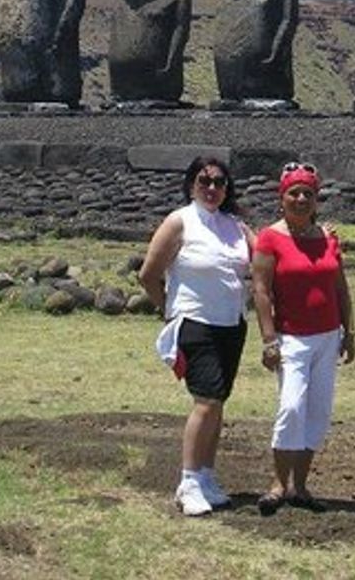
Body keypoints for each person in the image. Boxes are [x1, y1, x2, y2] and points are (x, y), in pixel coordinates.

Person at [138, 156, 253, 516]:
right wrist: (170, 311)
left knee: (217, 401)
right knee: (205, 401)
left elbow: (269, 250)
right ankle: (188, 480)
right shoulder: (179, 222)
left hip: (231, 324)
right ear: (191, 184)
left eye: (220, 182)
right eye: (204, 181)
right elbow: (148, 274)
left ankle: (206, 475)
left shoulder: (235, 226)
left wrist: (315, 233)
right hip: (195, 322)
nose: (212, 188)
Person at [251, 162, 355, 514]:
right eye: (294, 193)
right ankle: (279, 482)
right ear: (282, 198)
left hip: (328, 336)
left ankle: (301, 485)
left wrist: (349, 332)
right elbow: (262, 291)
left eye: (307, 194)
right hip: (292, 338)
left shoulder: (327, 238)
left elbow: (340, 288)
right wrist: (268, 340)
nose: (300, 199)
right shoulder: (270, 238)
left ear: (316, 200)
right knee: (291, 406)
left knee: (318, 411)